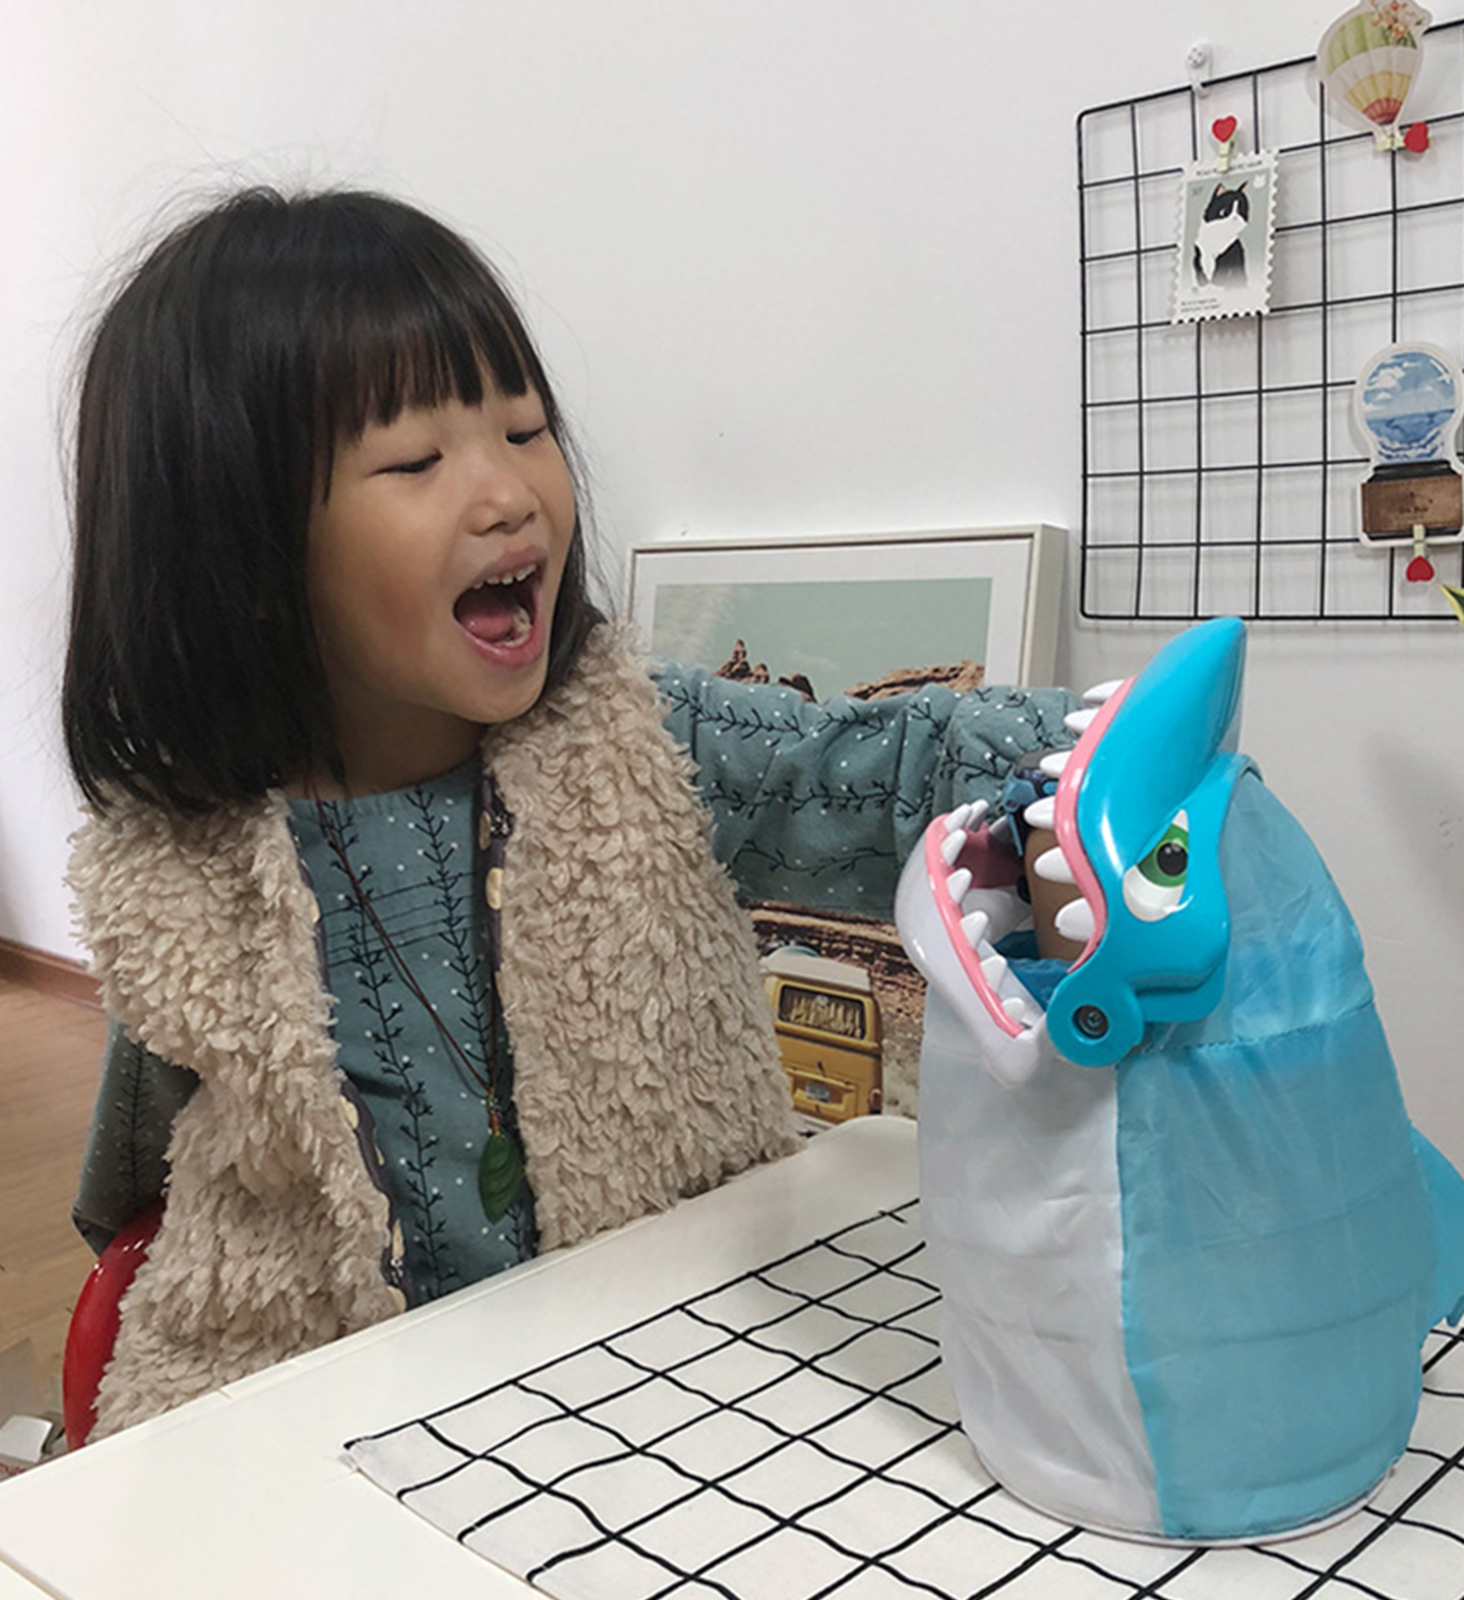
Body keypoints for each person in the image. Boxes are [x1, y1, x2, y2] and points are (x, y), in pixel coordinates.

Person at [62, 186, 1079, 1438]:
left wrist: (1092, 751)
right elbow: (135, 1194)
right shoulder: (179, 862)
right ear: (246, 556)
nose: (508, 494)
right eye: (416, 460)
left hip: (659, 1352)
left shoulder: (640, 735)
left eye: (525, 428)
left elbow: (869, 776)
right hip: (315, 1407)